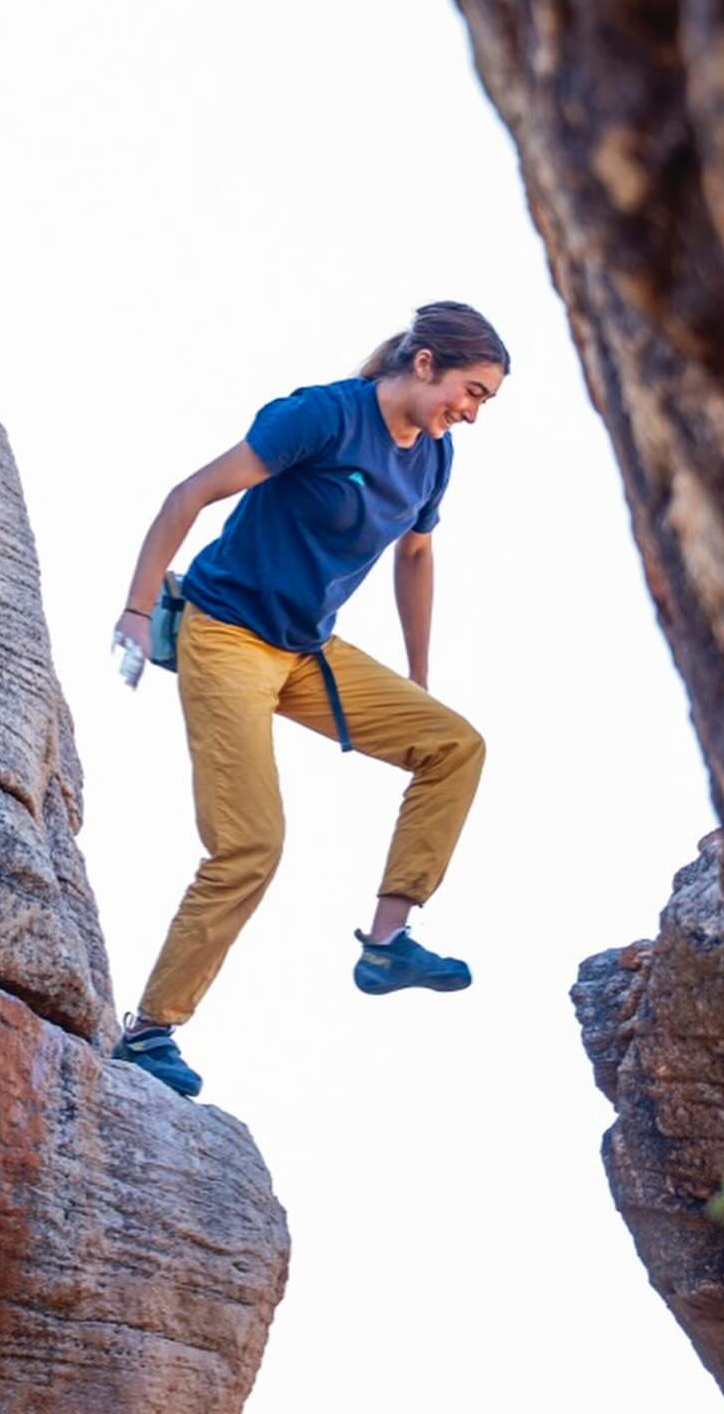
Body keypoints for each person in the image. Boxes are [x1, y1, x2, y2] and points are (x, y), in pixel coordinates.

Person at [109, 301, 509, 1097]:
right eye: (471, 392)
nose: (470, 413)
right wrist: (133, 609)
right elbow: (188, 494)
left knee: (453, 745)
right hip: (225, 635)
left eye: (482, 403)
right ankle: (151, 1031)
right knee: (250, 845)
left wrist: (417, 682)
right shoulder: (324, 416)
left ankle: (388, 944)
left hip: (308, 651)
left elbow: (417, 556)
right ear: (424, 363)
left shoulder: (431, 458)